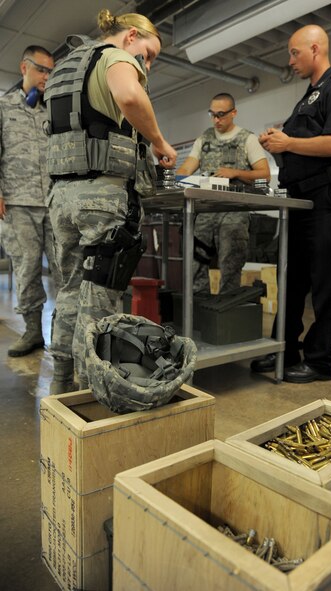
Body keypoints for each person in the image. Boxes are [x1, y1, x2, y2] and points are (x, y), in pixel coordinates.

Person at [44, 8, 176, 393]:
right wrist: (158, 141)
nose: (146, 63)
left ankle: (60, 384)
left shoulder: (66, 68)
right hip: (100, 195)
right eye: (148, 53)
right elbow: (129, 95)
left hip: (62, 196)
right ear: (131, 36)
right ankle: (93, 391)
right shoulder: (116, 56)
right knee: (101, 295)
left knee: (69, 288)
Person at [251, 24, 331, 383]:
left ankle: (320, 361)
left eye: (295, 53)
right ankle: (286, 348)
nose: (290, 60)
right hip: (300, 201)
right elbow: (300, 147)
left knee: (325, 282)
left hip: (326, 200)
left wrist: (288, 144)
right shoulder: (305, 99)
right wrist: (277, 143)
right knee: (292, 279)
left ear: (315, 49)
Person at [0, 46, 61, 357]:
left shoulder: (52, 110)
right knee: (27, 267)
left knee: (64, 266)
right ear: (24, 67)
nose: (46, 77)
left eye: (50, 71)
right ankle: (33, 332)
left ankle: (64, 332)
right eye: (42, 70)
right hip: (17, 201)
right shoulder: (3, 107)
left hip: (52, 201)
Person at [176, 93, 270, 294]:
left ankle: (226, 315)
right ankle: (200, 312)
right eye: (213, 115)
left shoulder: (248, 139)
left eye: (221, 115)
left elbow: (265, 175)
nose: (216, 120)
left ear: (233, 113)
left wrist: (235, 172)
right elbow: (184, 171)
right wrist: (181, 176)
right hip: (205, 212)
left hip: (234, 212)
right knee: (195, 264)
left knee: (231, 265)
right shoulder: (204, 139)